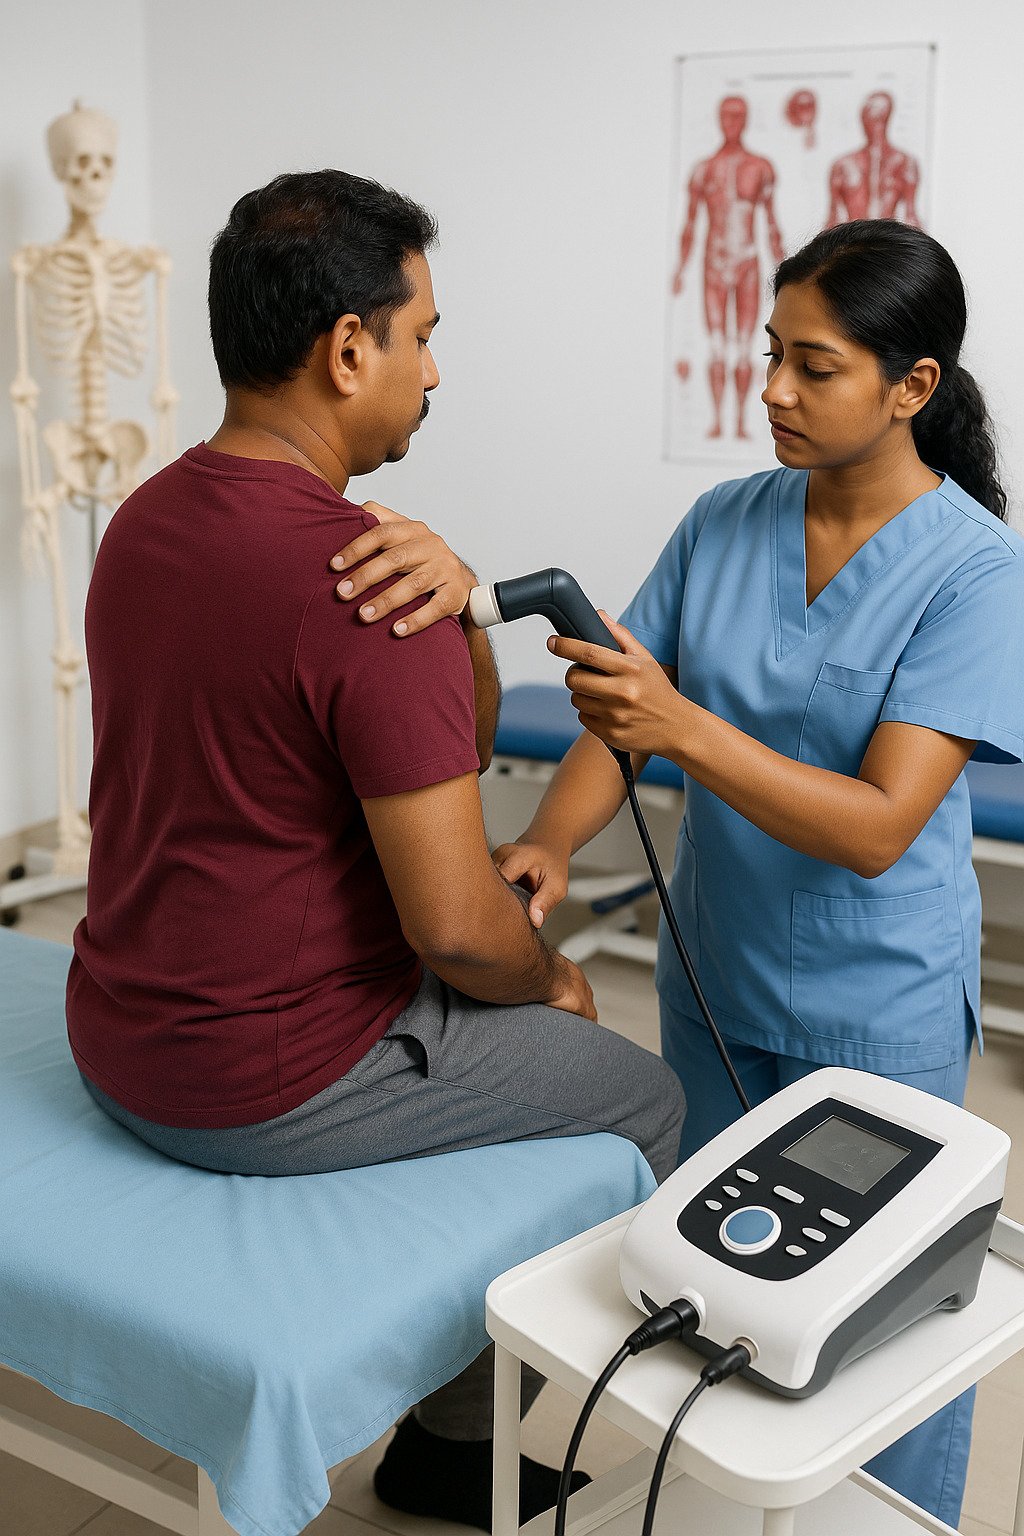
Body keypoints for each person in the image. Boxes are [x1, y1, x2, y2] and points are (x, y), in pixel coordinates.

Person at [349, 220, 1024, 1526]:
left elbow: (883, 820)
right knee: (715, 1298)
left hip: (874, 1007)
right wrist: (548, 841)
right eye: (770, 354)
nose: (769, 389)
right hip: (713, 979)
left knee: (871, 1327)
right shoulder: (727, 521)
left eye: (812, 367)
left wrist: (685, 728)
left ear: (913, 388)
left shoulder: (977, 572)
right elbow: (620, 710)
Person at [66, 169, 685, 1531]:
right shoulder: (361, 588)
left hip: (119, 1031)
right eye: (424, 336)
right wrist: (555, 990)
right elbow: (459, 931)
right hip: (256, 1079)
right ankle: (462, 1447)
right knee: (630, 1089)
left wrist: (460, 607)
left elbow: (439, 749)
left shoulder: (148, 523)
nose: (435, 372)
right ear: (350, 349)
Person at [671, 95, 784, 439]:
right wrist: (680, 268)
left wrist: (787, 273)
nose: (732, 122)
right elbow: (690, 223)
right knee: (718, 344)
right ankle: (719, 420)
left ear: (746, 120)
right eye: (727, 115)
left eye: (739, 116)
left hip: (748, 261)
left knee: (745, 345)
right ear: (719, 119)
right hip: (714, 262)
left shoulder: (760, 166)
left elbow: (771, 222)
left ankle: (739, 422)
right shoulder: (703, 169)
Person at [827, 92, 921, 228]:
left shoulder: (905, 162)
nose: (876, 121)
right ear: (863, 117)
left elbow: (911, 216)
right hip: (852, 242)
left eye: (881, 116)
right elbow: (832, 218)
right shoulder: (843, 164)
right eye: (871, 115)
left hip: (889, 243)